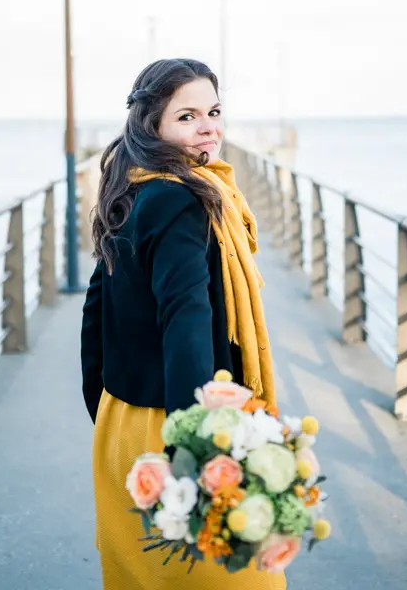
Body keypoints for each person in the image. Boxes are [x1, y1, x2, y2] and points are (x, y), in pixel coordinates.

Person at [81, 58, 285, 589]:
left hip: (120, 424)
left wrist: (104, 410)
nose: (208, 127)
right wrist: (196, 451)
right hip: (179, 423)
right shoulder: (182, 201)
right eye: (188, 116)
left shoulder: (132, 189)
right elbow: (185, 322)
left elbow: (95, 307)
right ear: (154, 126)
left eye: (213, 112)